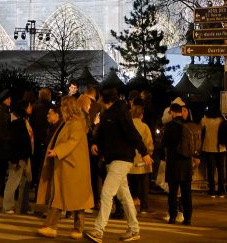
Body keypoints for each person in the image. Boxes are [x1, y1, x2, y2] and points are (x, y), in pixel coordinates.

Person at [85, 87, 150, 243]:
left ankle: (99, 230)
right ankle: (134, 229)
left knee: (107, 193)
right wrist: (95, 143)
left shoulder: (120, 112)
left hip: (121, 159)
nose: (98, 101)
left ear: (105, 99)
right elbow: (101, 133)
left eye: (100, 98)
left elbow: (131, 132)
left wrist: (144, 152)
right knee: (124, 196)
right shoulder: (108, 113)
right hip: (114, 158)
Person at [37, 97, 94, 239]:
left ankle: (53, 227)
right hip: (69, 165)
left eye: (63, 106)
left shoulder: (75, 123)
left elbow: (72, 142)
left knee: (63, 197)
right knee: (72, 198)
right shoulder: (70, 122)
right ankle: (75, 229)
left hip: (71, 166)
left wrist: (57, 151)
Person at [162, 103, 197, 225]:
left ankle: (172, 217)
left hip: (173, 162)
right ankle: (188, 218)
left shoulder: (169, 126)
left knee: (173, 192)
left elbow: (164, 143)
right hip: (186, 162)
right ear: (181, 112)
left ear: (171, 112)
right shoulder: (189, 126)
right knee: (186, 192)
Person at [3, 99, 34, 214]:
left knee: (28, 180)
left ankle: (23, 205)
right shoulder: (17, 123)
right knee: (13, 181)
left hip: (26, 156)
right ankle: (8, 206)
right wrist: (14, 159)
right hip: (19, 156)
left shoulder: (25, 121)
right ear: (25, 108)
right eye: (30, 106)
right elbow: (14, 142)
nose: (31, 109)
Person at [127, 102, 154, 213]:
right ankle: (144, 206)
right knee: (143, 184)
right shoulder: (144, 126)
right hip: (142, 159)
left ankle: (132, 203)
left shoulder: (128, 125)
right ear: (141, 114)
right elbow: (149, 143)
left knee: (130, 183)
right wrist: (149, 153)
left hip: (129, 159)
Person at [200, 105, 227, 198]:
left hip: (208, 148)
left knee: (211, 171)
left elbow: (200, 128)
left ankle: (212, 191)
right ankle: (221, 191)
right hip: (221, 148)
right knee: (221, 171)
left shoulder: (205, 120)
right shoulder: (221, 120)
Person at [30, 88, 53, 192]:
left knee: (34, 161)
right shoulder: (51, 108)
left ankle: (34, 180)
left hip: (35, 138)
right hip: (47, 138)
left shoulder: (34, 107)